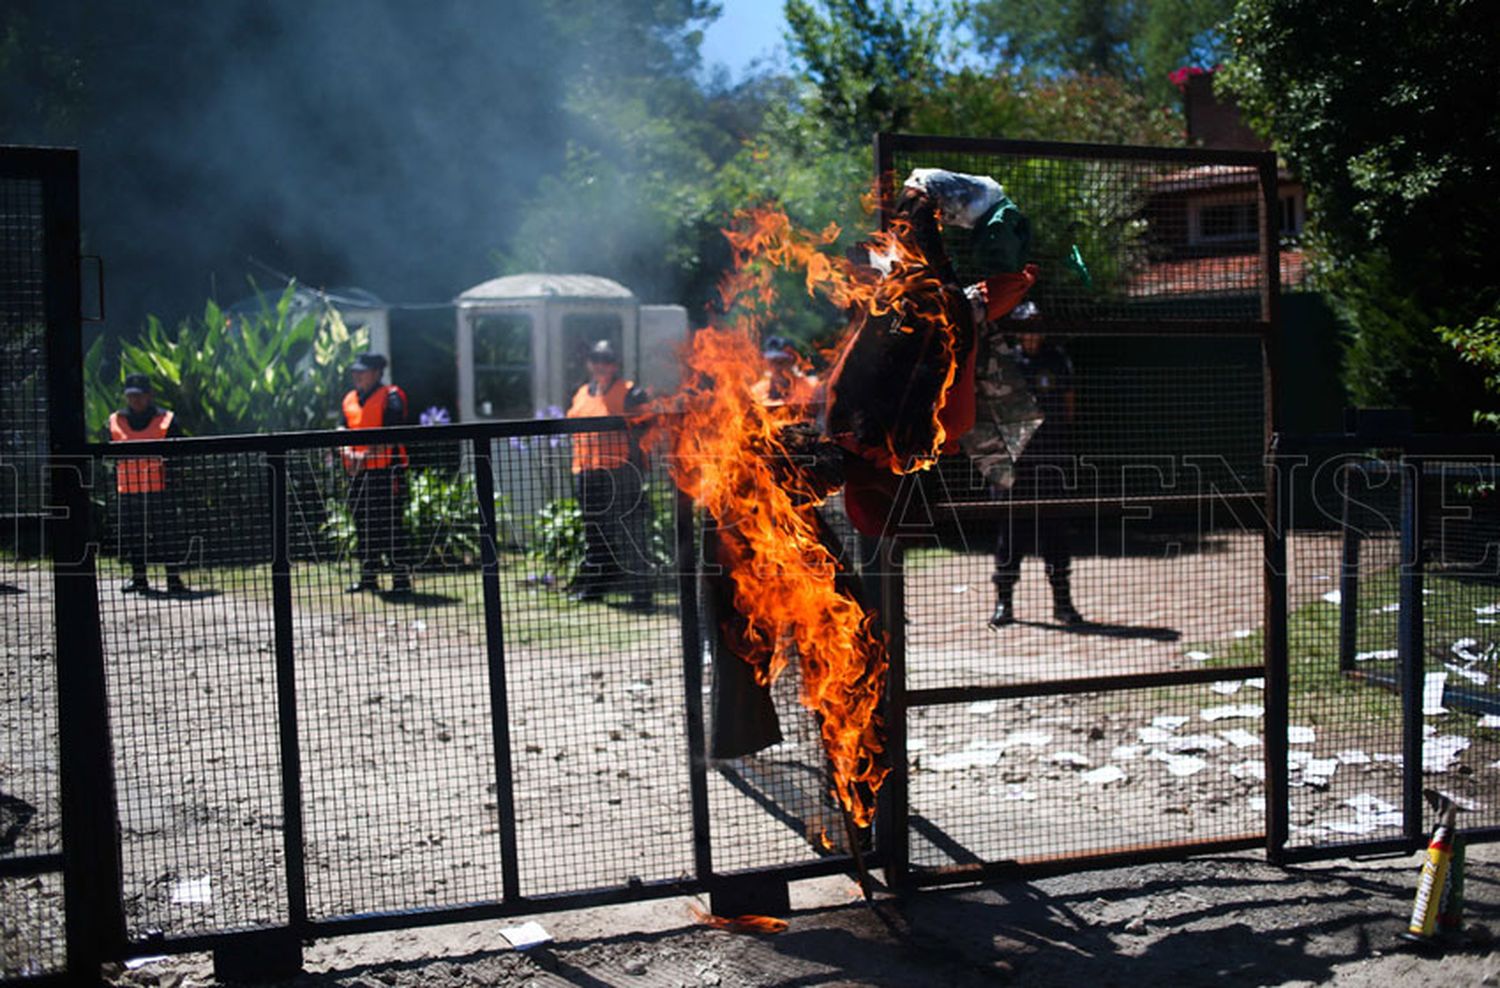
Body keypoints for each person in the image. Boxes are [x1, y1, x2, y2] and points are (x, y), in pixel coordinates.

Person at [989, 322, 1085, 629]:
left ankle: (1063, 603)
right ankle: (1004, 603)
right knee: (1011, 533)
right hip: (1015, 465)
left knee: (1056, 531)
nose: (1032, 334)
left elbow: (1070, 407)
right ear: (1017, 331)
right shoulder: (1006, 363)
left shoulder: (1056, 360)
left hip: (1051, 461)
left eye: (1037, 327)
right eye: (1026, 328)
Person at [565, 339, 652, 609]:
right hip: (587, 472)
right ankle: (595, 587)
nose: (601, 365)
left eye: (607, 360)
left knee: (630, 533)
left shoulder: (630, 393)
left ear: (615, 365)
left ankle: (641, 594)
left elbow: (647, 427)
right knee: (595, 534)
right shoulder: (581, 393)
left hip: (620, 472)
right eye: (596, 360)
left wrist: (637, 467)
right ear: (590, 363)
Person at [106, 374, 187, 594]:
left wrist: (175, 481)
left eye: (140, 396)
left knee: (167, 536)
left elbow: (179, 456)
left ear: (149, 396)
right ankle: (139, 579)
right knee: (134, 536)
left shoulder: (167, 420)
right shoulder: (115, 421)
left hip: (160, 489)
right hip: (129, 490)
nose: (136, 400)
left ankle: (173, 580)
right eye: (131, 396)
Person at [340, 352, 412, 595]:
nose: (357, 375)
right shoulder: (350, 398)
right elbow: (342, 428)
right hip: (358, 474)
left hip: (386, 472)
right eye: (355, 371)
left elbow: (392, 433)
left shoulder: (391, 397)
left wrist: (365, 455)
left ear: (377, 373)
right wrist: (348, 451)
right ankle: (368, 577)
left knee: (390, 524)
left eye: (363, 371)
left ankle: (400, 580)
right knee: (363, 524)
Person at [750, 336, 820, 409]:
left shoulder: (811, 388)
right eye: (772, 362)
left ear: (792, 361)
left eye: (781, 362)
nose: (777, 367)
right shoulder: (757, 392)